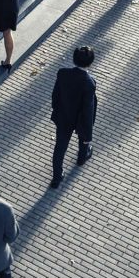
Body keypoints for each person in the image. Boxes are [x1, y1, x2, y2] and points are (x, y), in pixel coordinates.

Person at [49, 46, 97, 189]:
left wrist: (57, 110)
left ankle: (57, 177)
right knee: (83, 141)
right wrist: (89, 134)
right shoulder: (89, 82)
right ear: (90, 63)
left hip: (64, 117)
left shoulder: (62, 73)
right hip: (80, 120)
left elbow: (55, 95)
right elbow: (88, 109)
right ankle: (82, 158)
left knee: (60, 148)